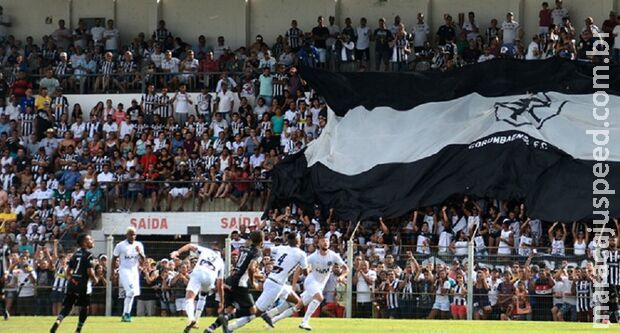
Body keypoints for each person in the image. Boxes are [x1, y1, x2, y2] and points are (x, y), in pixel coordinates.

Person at [223, 232, 308, 332]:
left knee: (297, 302)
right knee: (255, 312)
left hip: (275, 282)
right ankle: (231, 327)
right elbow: (306, 272)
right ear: (298, 240)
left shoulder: (281, 248)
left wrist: (259, 257)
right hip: (276, 286)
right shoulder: (301, 254)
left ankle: (271, 315)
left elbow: (266, 250)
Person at [271, 236, 348, 330]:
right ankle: (304, 322)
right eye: (323, 240)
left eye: (327, 241)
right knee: (319, 298)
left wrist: (342, 276)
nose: (325, 242)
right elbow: (298, 269)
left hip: (320, 285)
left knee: (298, 306)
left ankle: (274, 319)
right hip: (310, 281)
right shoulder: (313, 257)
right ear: (318, 244)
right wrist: (293, 286)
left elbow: (346, 268)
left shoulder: (333, 255)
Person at [204, 230, 264, 333]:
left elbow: (242, 267)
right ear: (262, 241)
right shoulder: (257, 252)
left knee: (230, 309)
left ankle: (211, 328)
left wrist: (255, 275)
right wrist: (253, 281)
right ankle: (227, 318)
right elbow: (250, 268)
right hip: (240, 283)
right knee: (252, 311)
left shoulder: (244, 249)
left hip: (231, 279)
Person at [169, 241, 225, 333]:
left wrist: (177, 252)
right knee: (203, 296)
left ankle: (191, 319)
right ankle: (197, 319)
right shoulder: (221, 262)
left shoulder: (206, 251)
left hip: (199, 272)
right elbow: (220, 284)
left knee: (189, 298)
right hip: (210, 277)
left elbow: (190, 246)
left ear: (213, 249)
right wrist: (222, 302)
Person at [50, 233, 98, 333]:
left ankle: (59, 320)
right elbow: (89, 272)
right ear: (85, 243)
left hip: (72, 284)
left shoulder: (75, 254)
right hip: (84, 286)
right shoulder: (89, 255)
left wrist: (72, 279)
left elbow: (68, 271)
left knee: (67, 306)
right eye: (90, 239)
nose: (92, 241)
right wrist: (95, 279)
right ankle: (78, 329)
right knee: (84, 308)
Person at [112, 227, 146, 322]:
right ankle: (126, 314)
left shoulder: (139, 245)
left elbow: (143, 259)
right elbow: (114, 258)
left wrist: (140, 252)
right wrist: (112, 272)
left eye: (134, 234)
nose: (132, 236)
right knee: (130, 291)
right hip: (124, 270)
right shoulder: (121, 245)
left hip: (134, 271)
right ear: (127, 235)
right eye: (131, 234)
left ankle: (125, 315)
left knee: (132, 293)